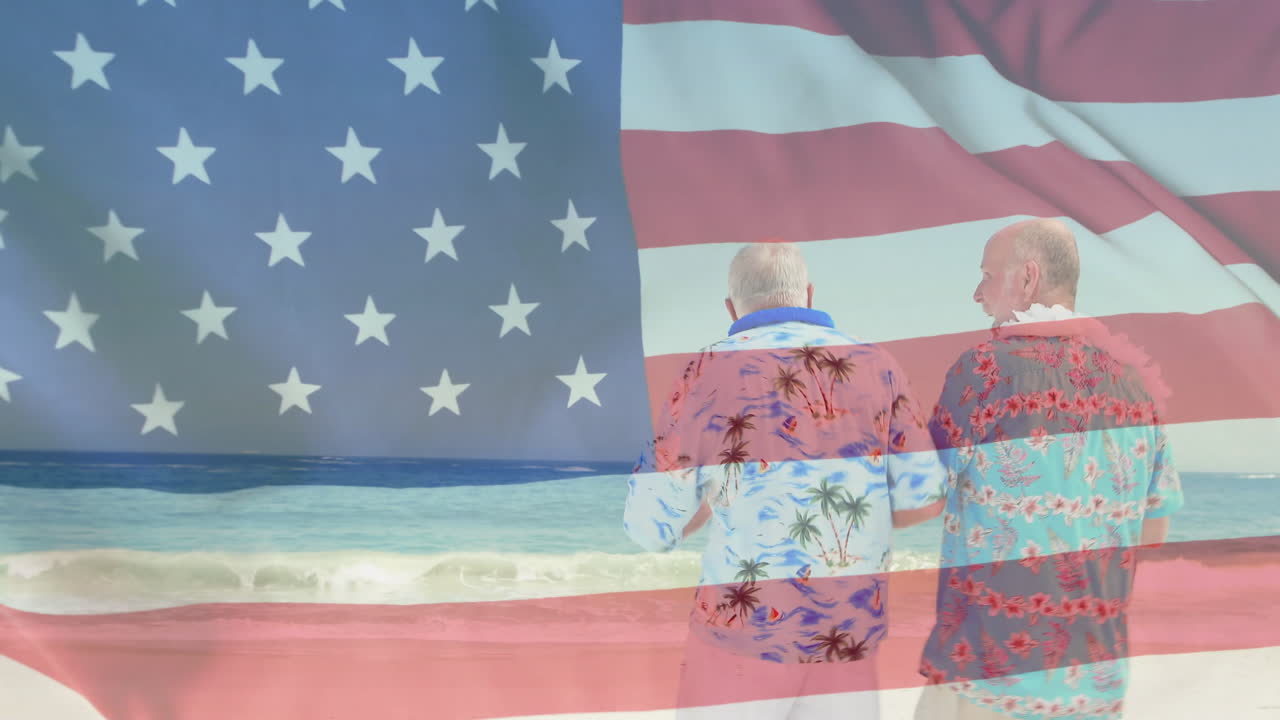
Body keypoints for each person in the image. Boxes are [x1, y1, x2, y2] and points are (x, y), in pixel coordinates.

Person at [624, 241, 947, 719]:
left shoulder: (709, 368)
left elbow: (649, 526)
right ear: (809, 294)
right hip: (848, 635)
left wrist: (707, 506)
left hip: (741, 635)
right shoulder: (877, 364)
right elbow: (925, 498)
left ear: (731, 307)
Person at [915, 219, 1185, 720]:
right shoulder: (1134, 386)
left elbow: (920, 498)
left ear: (1027, 278)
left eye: (988, 276)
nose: (978, 293)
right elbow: (1153, 530)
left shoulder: (984, 370)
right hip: (1093, 687)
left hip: (989, 682)